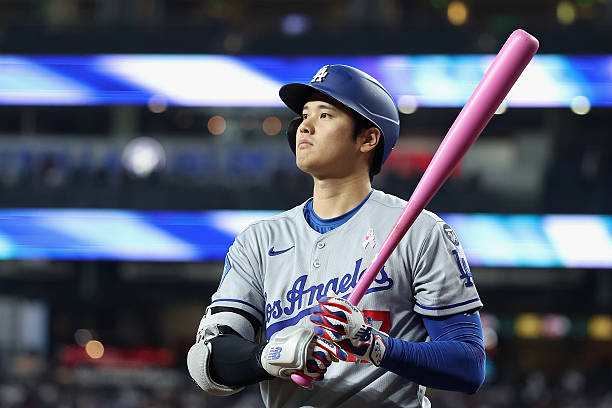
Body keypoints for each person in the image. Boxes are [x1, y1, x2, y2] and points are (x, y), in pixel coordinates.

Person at [187, 64, 486, 408]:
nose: (304, 126)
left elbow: (468, 365)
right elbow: (208, 361)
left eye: (325, 115)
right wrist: (274, 357)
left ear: (368, 138)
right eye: (303, 115)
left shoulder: (421, 231)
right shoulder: (259, 240)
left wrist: (373, 344)